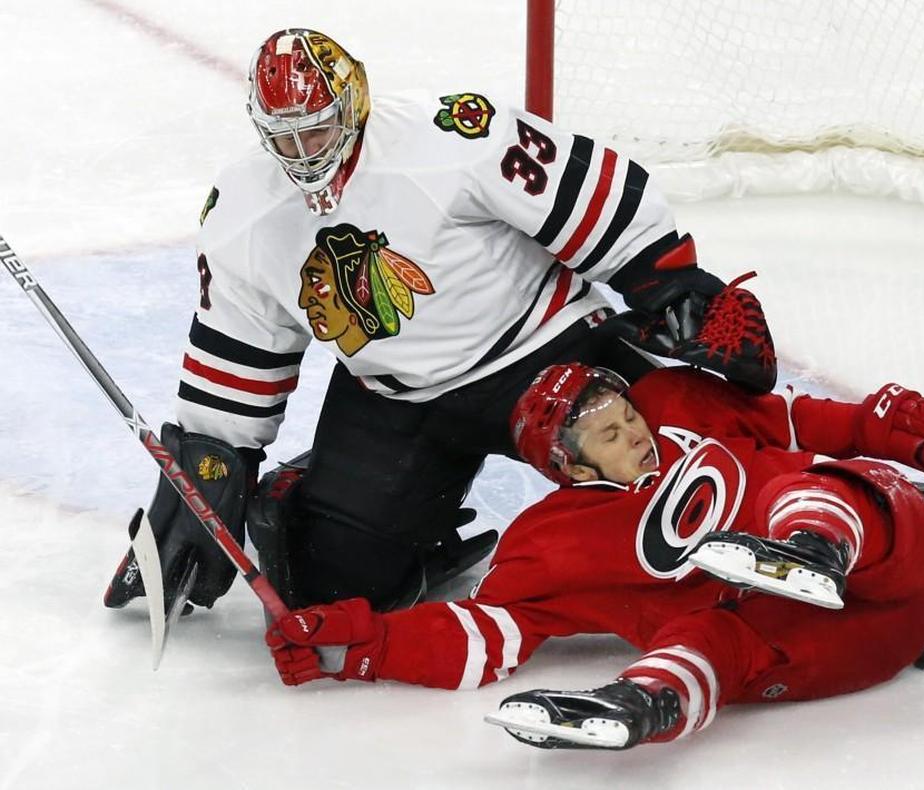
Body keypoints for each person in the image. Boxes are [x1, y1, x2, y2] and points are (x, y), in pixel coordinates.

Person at [101, 28, 777, 619]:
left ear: (355, 101)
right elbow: (240, 350)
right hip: (399, 397)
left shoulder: (452, 134)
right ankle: (315, 494)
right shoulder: (242, 212)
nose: (303, 150)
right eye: (284, 136)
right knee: (334, 583)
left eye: (317, 127)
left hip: (545, 350)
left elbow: (585, 191)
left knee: (670, 473)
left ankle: (804, 504)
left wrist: (667, 279)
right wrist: (214, 465)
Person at [263, 363, 924, 751]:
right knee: (710, 637)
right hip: (835, 645)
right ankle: (642, 705)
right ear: (571, 467)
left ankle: (806, 547)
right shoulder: (549, 541)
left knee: (832, 487)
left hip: (891, 561)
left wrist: (885, 423)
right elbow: (480, 635)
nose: (635, 432)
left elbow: (794, 418)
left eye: (626, 414)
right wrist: (360, 645)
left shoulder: (678, 402)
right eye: (609, 435)